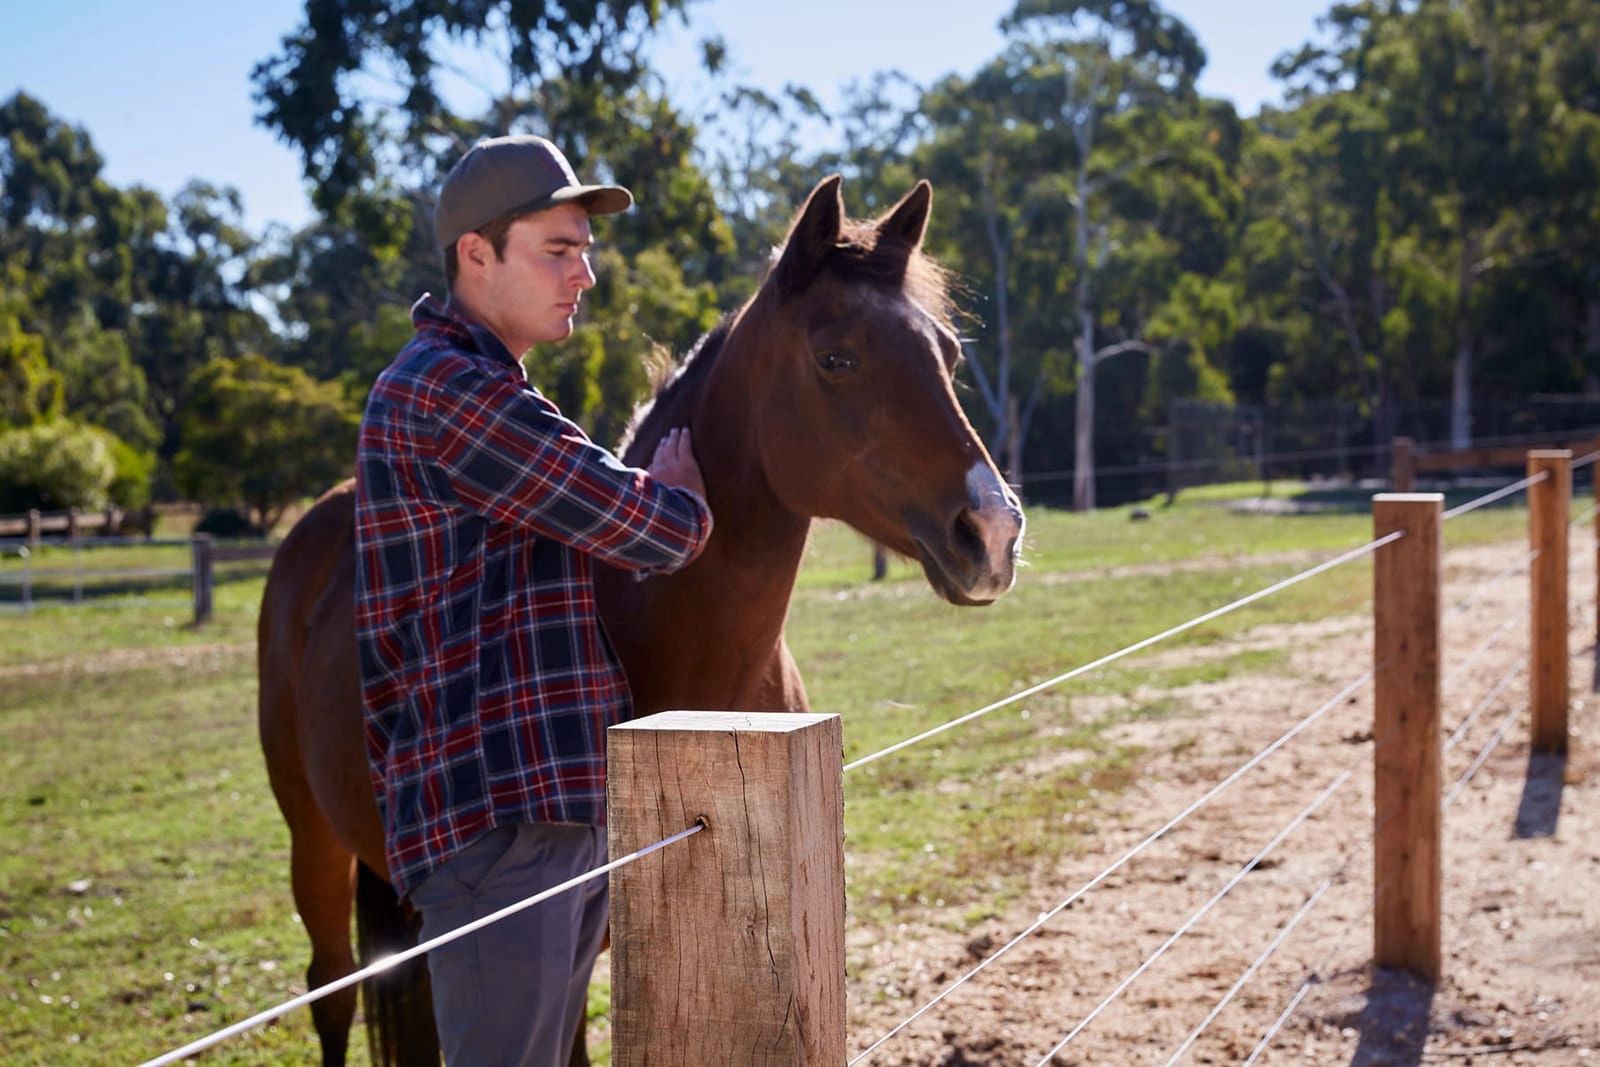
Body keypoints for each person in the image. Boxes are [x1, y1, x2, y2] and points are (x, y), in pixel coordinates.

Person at [353, 134, 713, 1066]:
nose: (584, 274)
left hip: (538, 814)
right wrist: (680, 497)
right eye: (558, 250)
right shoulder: (449, 391)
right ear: (477, 254)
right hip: (499, 819)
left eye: (584, 250)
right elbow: (646, 525)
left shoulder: (480, 386)